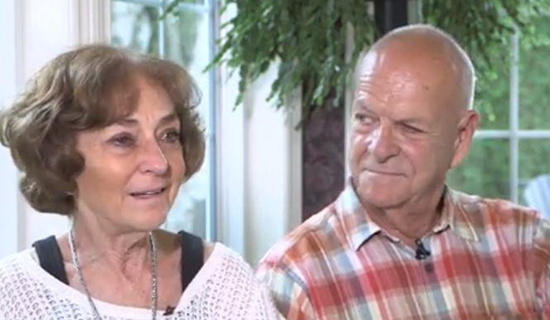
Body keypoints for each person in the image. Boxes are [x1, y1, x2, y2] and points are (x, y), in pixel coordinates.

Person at [257, 24, 550, 319]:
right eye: (365, 119)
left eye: (409, 128)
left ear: (460, 138)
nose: (380, 148)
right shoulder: (292, 277)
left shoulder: (529, 245)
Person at [0, 44, 279, 320]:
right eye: (123, 140)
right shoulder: (15, 296)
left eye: (169, 135)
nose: (159, 162)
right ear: (60, 159)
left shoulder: (223, 282)